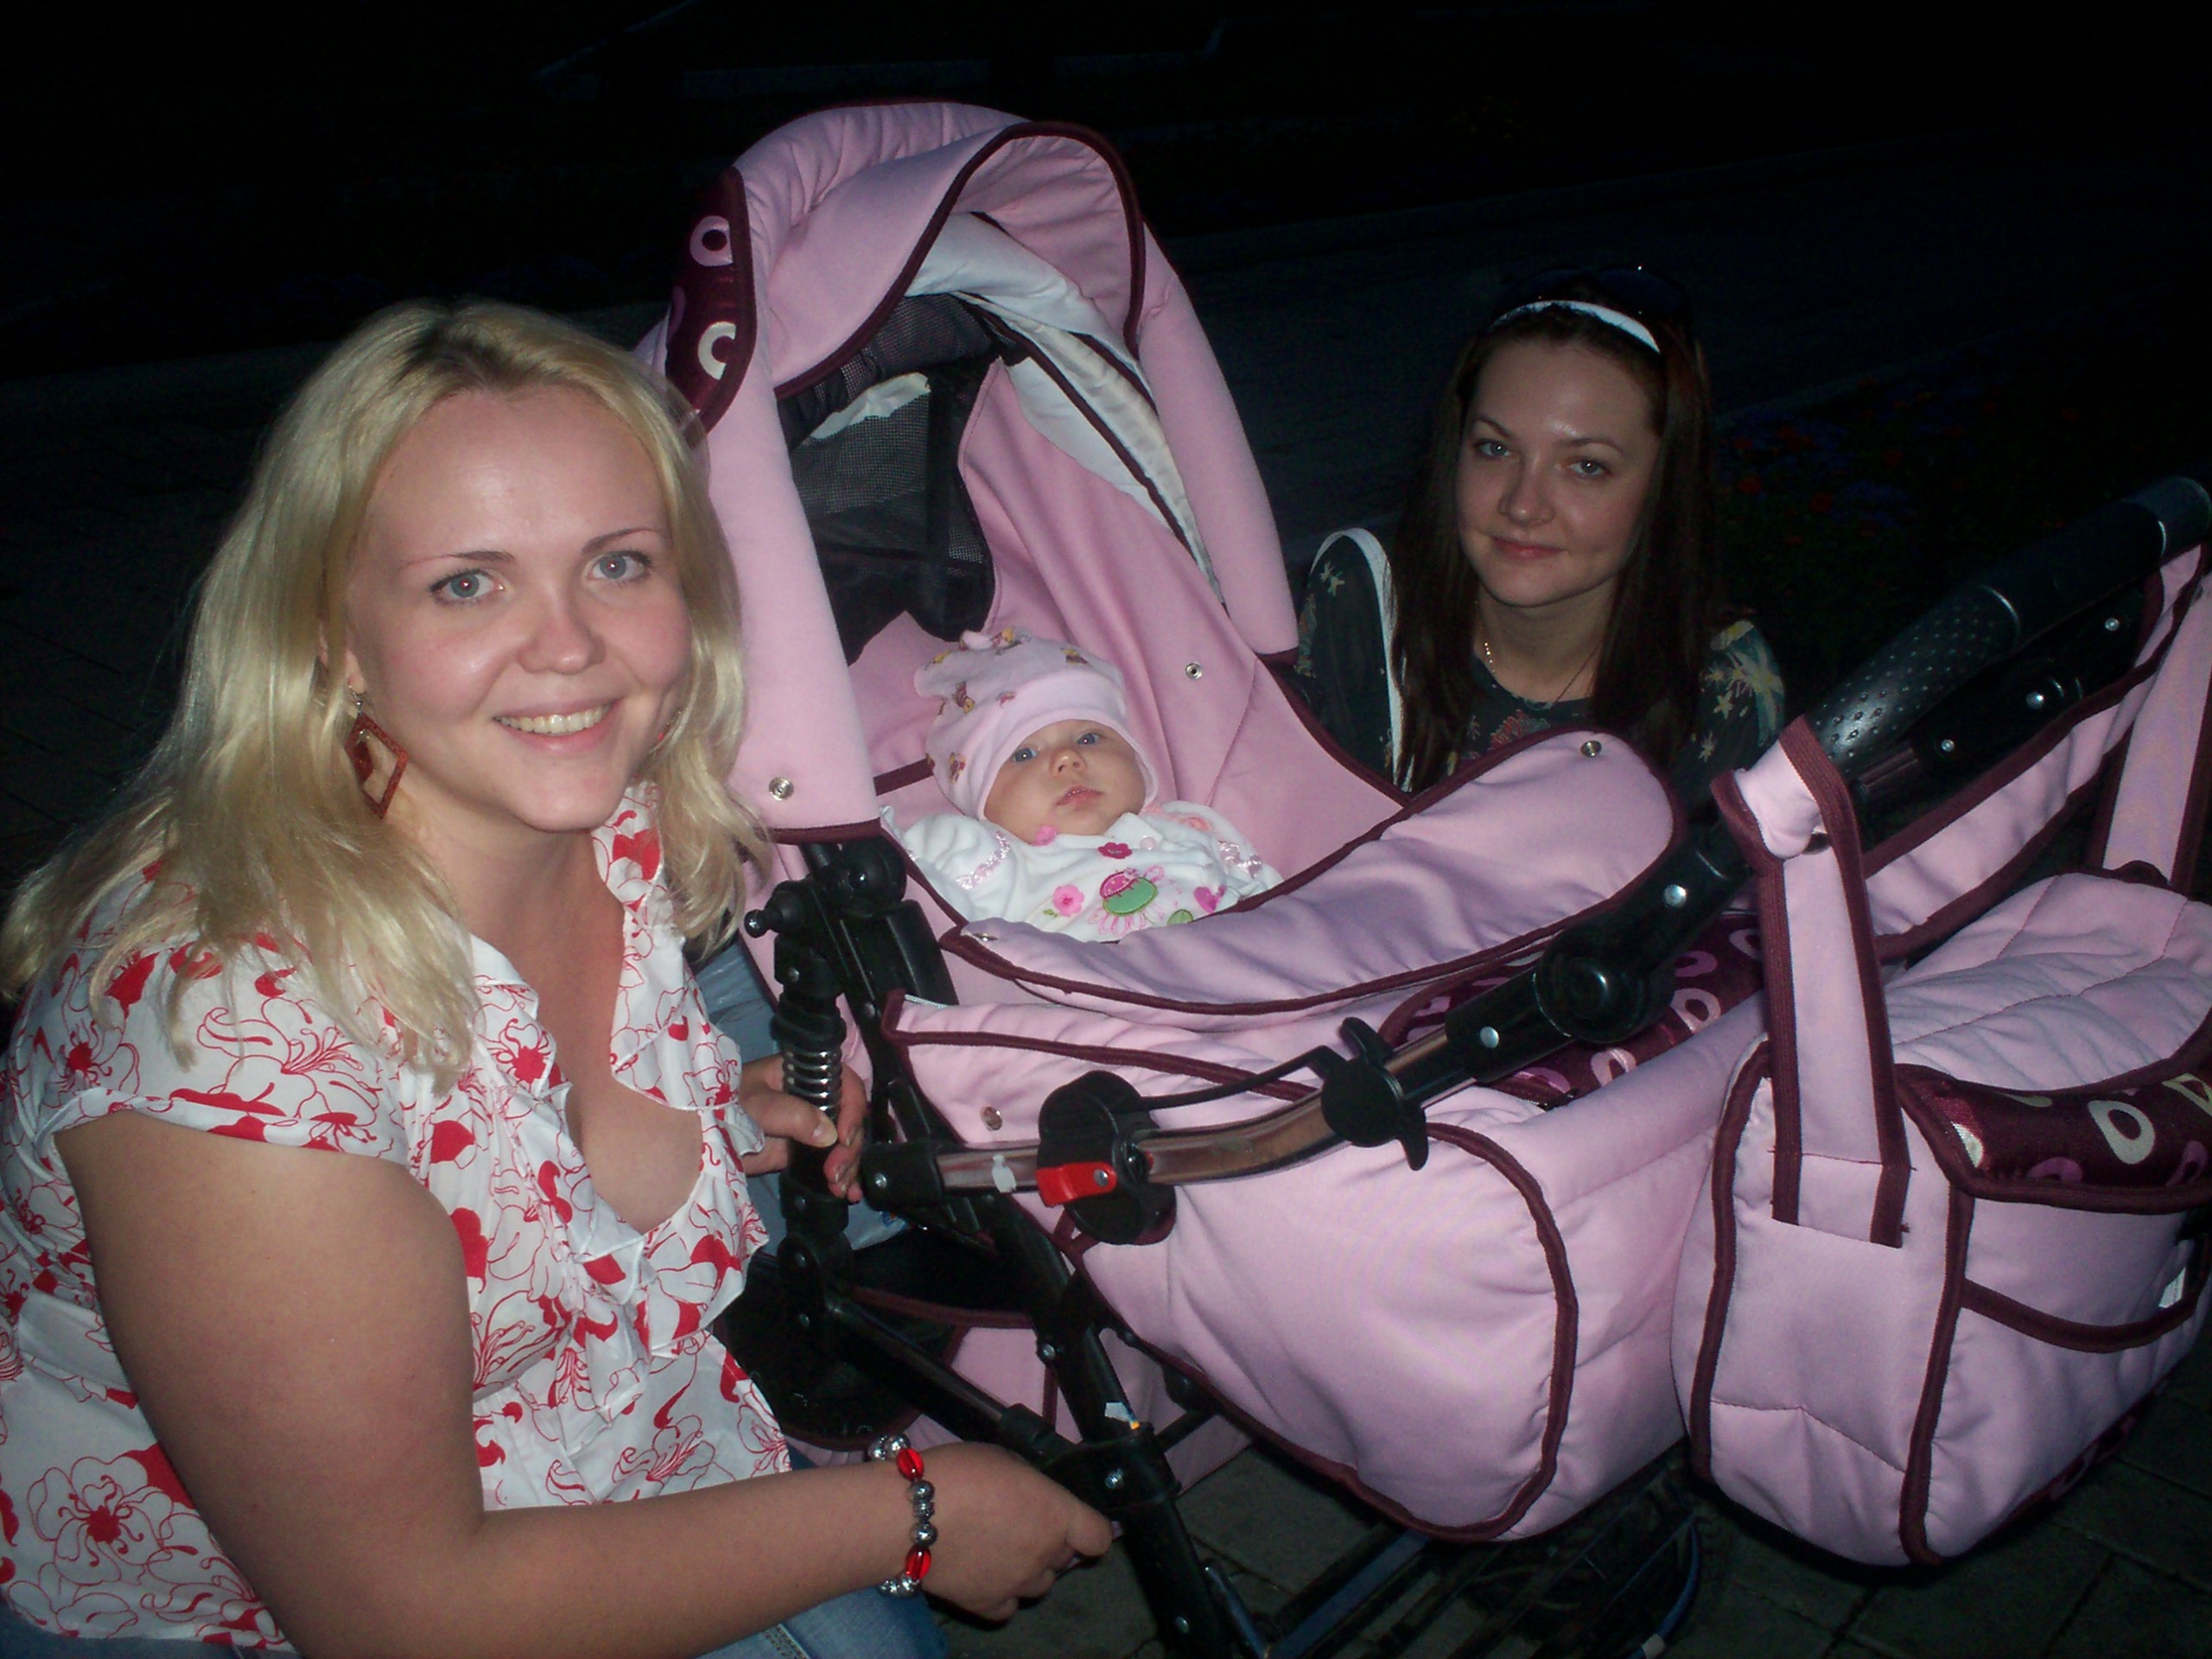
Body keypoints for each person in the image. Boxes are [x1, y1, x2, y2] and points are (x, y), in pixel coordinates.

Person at [0, 301, 1109, 1656]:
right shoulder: (225, 1054)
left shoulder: (606, 820)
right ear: (332, 632)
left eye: (619, 564)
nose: (571, 646)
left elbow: (495, 1141)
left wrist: (716, 1119)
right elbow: (403, 1613)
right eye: (468, 584)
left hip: (601, 1460)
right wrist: (914, 1514)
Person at [1293, 269, 1784, 803]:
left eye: (1587, 466)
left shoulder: (1719, 691)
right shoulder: (1365, 602)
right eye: (1496, 448)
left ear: (1663, 487)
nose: (1523, 505)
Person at [896, 629, 1280, 937]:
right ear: (983, 805)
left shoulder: (1189, 824)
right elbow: (913, 887)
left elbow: (1276, 904)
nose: (1067, 759)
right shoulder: (997, 860)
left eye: (1089, 738)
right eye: (1024, 755)